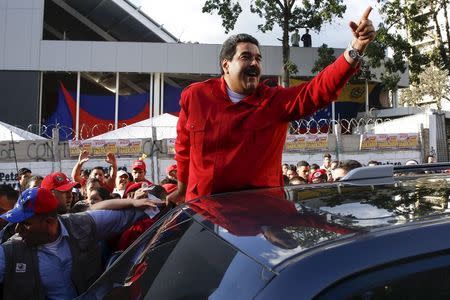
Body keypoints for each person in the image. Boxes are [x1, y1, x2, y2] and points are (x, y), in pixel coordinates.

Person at [169, 7, 376, 204]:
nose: (254, 64)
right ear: (226, 65)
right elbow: (184, 148)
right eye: (246, 57)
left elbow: (318, 90)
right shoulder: (195, 96)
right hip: (205, 214)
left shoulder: (274, 101)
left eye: (258, 59)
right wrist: (182, 188)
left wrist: (356, 48)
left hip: (261, 218)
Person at [0, 187, 156, 299]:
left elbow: (127, 217)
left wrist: (154, 205)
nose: (17, 230)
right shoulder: (9, 252)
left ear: (49, 222)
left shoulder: (82, 225)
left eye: (25, 223)